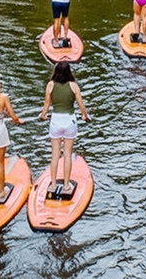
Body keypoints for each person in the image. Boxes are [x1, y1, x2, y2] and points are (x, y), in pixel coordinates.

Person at [40, 62, 90, 195]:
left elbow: (46, 104)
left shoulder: (50, 85)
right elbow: (81, 104)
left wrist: (44, 115)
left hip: (55, 121)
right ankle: (67, 185)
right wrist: (85, 116)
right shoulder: (74, 86)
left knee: (55, 154)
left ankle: (53, 185)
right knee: (67, 155)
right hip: (69, 121)